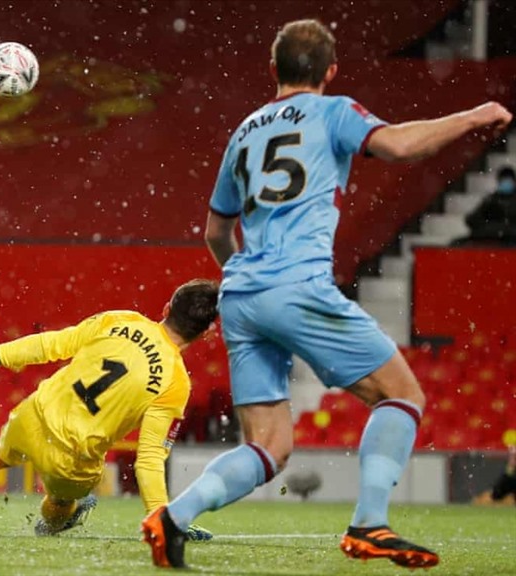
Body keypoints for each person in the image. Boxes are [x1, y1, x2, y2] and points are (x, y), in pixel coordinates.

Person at [141, 19, 512, 570]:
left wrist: (248, 278)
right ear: (331, 71)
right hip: (297, 283)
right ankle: (370, 524)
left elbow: (216, 231)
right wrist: (475, 116)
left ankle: (171, 518)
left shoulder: (244, 131)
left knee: (268, 446)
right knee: (402, 395)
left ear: (274, 70)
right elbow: (400, 146)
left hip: (241, 294)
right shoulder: (334, 111)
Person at [0, 279, 218, 542]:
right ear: (207, 332)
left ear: (167, 307)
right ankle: (53, 521)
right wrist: (161, 516)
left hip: (36, 414)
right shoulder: (174, 383)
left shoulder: (122, 320)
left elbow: (50, 344)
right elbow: (149, 459)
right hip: (73, 456)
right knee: (64, 502)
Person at [461, 165, 516, 246]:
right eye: (503, 180)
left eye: (508, 180)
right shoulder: (491, 199)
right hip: (490, 239)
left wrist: (505, 228)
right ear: (499, 181)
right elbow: (471, 220)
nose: (506, 183)